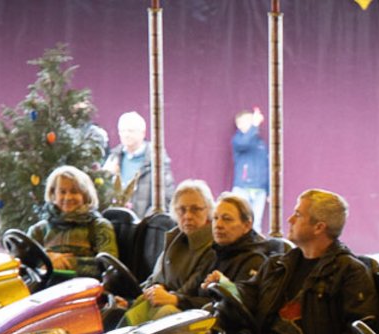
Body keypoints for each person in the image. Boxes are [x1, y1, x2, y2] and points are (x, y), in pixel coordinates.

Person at [210, 189, 378, 334]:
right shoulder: (278, 265)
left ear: (319, 227)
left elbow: (358, 333)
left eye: (298, 215)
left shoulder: (350, 273)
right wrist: (225, 287)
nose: (290, 220)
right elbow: (249, 294)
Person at [133, 179, 217, 318]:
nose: (188, 216)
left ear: (208, 210)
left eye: (195, 209)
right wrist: (146, 293)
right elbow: (155, 278)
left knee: (164, 311)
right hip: (164, 302)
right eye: (182, 210)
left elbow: (190, 291)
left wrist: (169, 297)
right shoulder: (175, 237)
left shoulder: (213, 245)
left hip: (189, 312)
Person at [26, 165, 118, 278]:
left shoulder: (99, 227)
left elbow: (110, 266)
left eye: (74, 192)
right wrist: (49, 259)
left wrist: (67, 263)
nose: (68, 197)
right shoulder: (39, 230)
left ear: (85, 196)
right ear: (53, 195)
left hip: (86, 286)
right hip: (45, 286)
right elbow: (24, 264)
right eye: (62, 192)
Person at [103, 110, 175, 218]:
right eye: (122, 131)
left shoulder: (156, 159)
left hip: (144, 221)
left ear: (143, 133)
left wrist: (145, 222)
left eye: (130, 131)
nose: (126, 135)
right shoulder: (113, 158)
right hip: (116, 220)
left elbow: (166, 195)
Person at [200, 193, 272, 294]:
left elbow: (244, 299)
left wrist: (225, 285)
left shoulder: (255, 259)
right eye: (215, 218)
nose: (218, 225)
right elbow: (194, 291)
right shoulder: (214, 251)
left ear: (247, 225)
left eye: (227, 219)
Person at [231, 108, 269, 232]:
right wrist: (255, 125)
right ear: (239, 124)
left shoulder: (261, 143)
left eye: (252, 120)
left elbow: (266, 166)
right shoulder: (237, 140)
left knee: (256, 224)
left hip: (260, 190)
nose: (252, 123)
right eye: (248, 120)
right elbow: (244, 143)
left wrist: (269, 190)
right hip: (242, 188)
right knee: (238, 222)